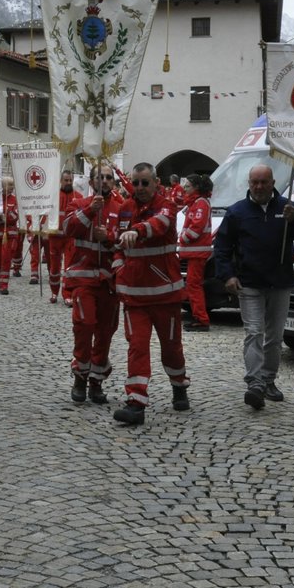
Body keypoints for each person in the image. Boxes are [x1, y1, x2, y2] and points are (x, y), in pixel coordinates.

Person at [212, 162, 294, 411]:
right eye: (254, 182)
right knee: (254, 332)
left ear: (272, 184)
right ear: (249, 184)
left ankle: (269, 380)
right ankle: (255, 383)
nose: (258, 187)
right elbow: (222, 248)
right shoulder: (237, 212)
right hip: (249, 283)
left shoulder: (286, 208)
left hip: (279, 282)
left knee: (275, 337)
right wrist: (227, 276)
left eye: (263, 182)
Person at [110, 162, 190, 426]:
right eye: (136, 183)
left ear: (156, 183)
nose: (140, 188)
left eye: (145, 182)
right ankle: (136, 403)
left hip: (165, 295)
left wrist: (137, 230)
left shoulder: (167, 204)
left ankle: (179, 384)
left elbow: (159, 224)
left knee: (171, 349)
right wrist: (120, 265)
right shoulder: (125, 208)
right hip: (135, 296)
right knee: (137, 348)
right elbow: (118, 241)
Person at [62, 166, 124, 404]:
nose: (105, 181)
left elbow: (124, 242)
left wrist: (107, 238)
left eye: (109, 178)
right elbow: (68, 229)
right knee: (84, 325)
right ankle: (80, 375)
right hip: (84, 278)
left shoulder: (121, 209)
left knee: (105, 332)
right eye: (101, 177)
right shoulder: (80, 204)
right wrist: (90, 210)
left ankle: (96, 380)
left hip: (109, 281)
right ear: (91, 181)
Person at [178, 173, 214, 332]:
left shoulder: (201, 203)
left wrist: (183, 238)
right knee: (192, 285)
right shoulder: (196, 203)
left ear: (196, 188)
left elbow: (196, 227)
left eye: (187, 186)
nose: (184, 189)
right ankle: (198, 317)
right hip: (194, 252)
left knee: (193, 285)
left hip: (197, 252)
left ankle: (201, 320)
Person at [42, 169, 78, 304]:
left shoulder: (78, 196)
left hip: (70, 237)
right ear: (61, 181)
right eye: (66, 180)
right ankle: (54, 291)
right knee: (54, 267)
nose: (68, 182)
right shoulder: (53, 197)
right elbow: (45, 214)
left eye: (70, 180)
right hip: (55, 236)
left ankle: (67, 294)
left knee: (69, 267)